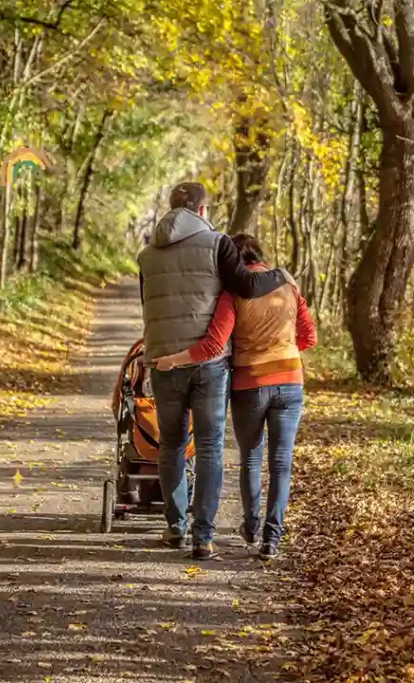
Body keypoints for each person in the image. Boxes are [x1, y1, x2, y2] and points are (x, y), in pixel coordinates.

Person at [138, 182, 287, 561]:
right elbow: (247, 287)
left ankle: (175, 527)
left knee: (170, 444)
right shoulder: (218, 243)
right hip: (209, 361)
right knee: (208, 446)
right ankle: (203, 536)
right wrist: (282, 275)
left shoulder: (146, 256)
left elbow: (148, 307)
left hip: (162, 359)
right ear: (202, 211)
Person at [154, 234, 316, 560]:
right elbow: (309, 337)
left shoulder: (232, 295)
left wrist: (172, 360)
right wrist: (281, 352)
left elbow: (213, 347)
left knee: (252, 458)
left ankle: (251, 524)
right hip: (291, 380)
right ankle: (271, 539)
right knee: (282, 463)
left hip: (250, 384)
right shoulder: (288, 285)